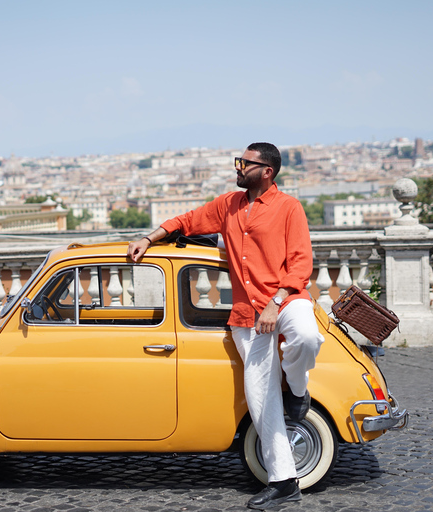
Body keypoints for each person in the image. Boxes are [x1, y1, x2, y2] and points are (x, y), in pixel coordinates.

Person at [128, 142, 324, 510]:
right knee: (261, 398)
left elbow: (300, 265)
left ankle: (298, 389)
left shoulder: (289, 208)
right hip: (246, 314)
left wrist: (275, 303)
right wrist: (147, 238)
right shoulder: (228, 205)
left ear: (267, 170)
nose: (237, 167)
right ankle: (284, 481)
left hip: (286, 300)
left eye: (244, 163)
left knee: (307, 336)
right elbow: (185, 221)